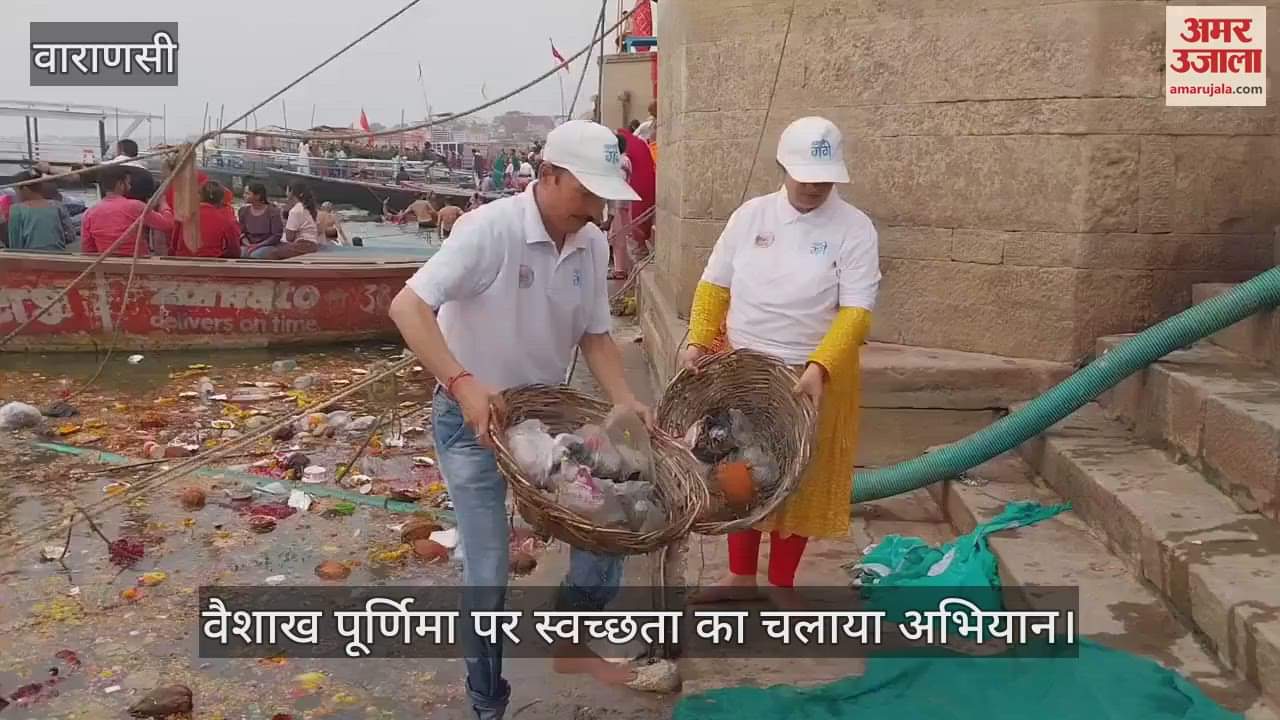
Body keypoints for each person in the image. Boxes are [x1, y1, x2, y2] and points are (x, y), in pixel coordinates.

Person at [388, 120, 651, 720]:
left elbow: (595, 334)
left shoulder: (590, 242)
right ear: (549, 176)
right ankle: (487, 702)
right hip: (472, 421)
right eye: (586, 193)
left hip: (544, 421)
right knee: (488, 571)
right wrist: (463, 383)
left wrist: (623, 398)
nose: (596, 210)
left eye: (604, 197)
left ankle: (571, 629)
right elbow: (408, 306)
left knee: (613, 522)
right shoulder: (491, 230)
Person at [681, 117, 880, 608]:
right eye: (804, 175)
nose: (813, 186)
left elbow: (856, 310)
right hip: (744, 368)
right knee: (739, 470)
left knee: (798, 475)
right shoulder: (751, 217)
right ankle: (741, 576)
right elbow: (714, 285)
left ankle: (781, 582)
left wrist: (821, 365)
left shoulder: (854, 228)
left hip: (807, 374)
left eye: (823, 178)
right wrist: (699, 340)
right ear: (782, 167)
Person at [80, 165, 174, 256]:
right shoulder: (136, 206)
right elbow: (167, 224)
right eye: (128, 183)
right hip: (137, 264)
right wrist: (163, 204)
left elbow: (88, 250)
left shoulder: (89, 213)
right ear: (120, 184)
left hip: (106, 264)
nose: (130, 187)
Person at [249, 182, 319, 260]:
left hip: (303, 245)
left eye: (288, 191)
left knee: (272, 254)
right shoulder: (306, 207)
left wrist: (284, 224)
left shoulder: (295, 210)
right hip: (312, 244)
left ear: (292, 193)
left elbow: (289, 238)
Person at [171, 181, 241, 259]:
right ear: (221, 200)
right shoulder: (226, 220)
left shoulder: (183, 216)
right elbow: (234, 251)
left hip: (182, 261)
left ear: (199, 196)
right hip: (212, 263)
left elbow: (173, 245)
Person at [616, 125, 655, 264]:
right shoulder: (638, 145)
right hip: (641, 191)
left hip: (630, 195)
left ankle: (639, 251)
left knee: (627, 227)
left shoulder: (624, 156)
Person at [6, 171, 68, 251]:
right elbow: (70, 235)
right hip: (58, 254)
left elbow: (15, 243)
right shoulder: (57, 205)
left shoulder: (16, 209)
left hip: (30, 256)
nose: (16, 195)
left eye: (16, 191)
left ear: (24, 189)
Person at [605, 132, 636, 280]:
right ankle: (620, 267)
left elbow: (618, 182)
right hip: (623, 201)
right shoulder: (625, 160)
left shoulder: (620, 161)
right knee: (620, 235)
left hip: (618, 202)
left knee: (618, 237)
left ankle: (620, 270)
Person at [238, 183, 285, 256]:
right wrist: (248, 245)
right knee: (240, 253)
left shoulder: (273, 212)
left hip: (268, 245)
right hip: (248, 244)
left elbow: (276, 236)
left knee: (255, 255)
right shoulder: (243, 211)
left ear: (257, 196)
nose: (244, 195)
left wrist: (257, 246)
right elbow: (241, 232)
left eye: (247, 193)